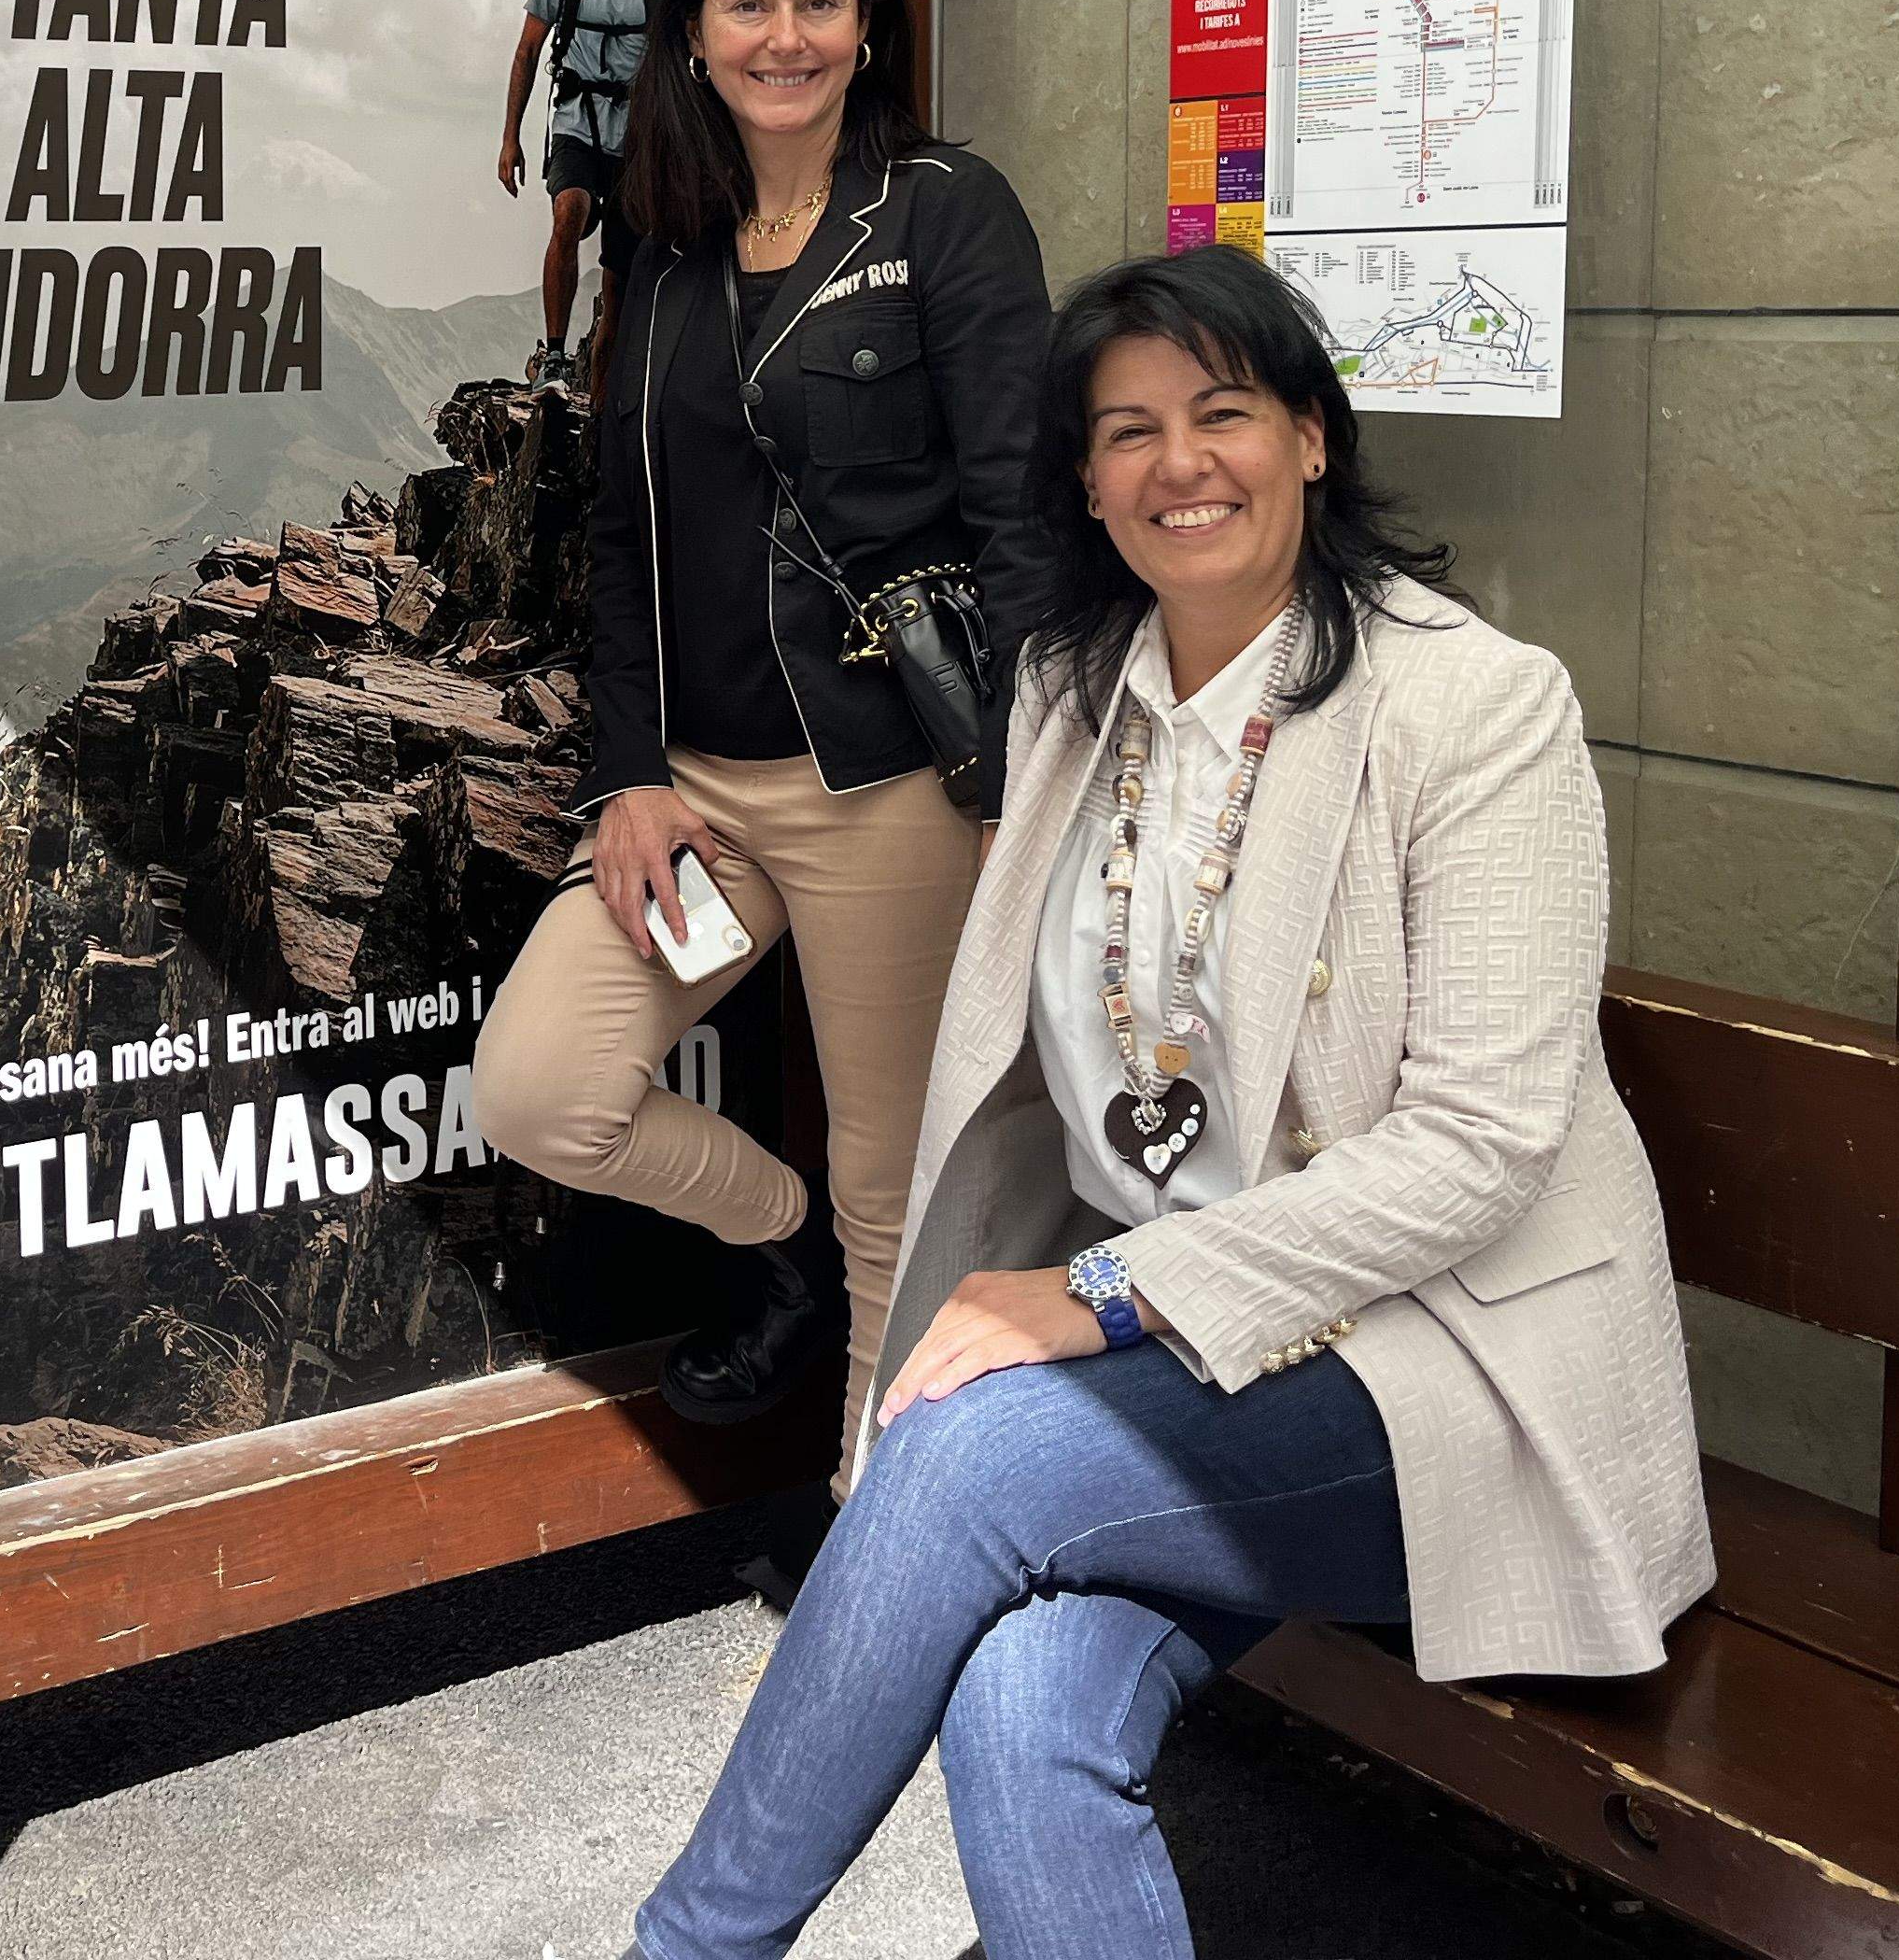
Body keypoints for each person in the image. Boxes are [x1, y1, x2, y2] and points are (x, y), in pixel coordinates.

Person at [627, 244, 1714, 1960]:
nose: (1176, 462)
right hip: (1199, 1357)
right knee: (1017, 1686)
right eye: (1124, 429)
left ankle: (690, 1945)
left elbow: (1483, 1142)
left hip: (1443, 1363)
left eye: (1223, 411)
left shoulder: (1471, 704)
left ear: (1309, 438)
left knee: (970, 1446)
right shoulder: (1076, 694)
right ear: (1081, 477)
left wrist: (1096, 1293)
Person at [474, 0, 1051, 1464]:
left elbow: (1020, 508)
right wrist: (627, 772)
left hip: (888, 793)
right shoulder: (656, 255)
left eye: (817, 1)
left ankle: (882, 1534)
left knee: (897, 1186)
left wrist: (1012, 783)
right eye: (748, 3)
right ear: (693, 36)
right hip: (704, 804)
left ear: (867, 28)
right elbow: (619, 539)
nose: (784, 33)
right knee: (540, 1086)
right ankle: (774, 1244)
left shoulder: (945, 208)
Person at [497, 0, 664, 389]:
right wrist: (509, 138)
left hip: (634, 134)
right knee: (568, 211)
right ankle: (554, 355)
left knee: (618, 273)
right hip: (574, 117)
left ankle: (602, 392)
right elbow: (527, 51)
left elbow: (685, 63)